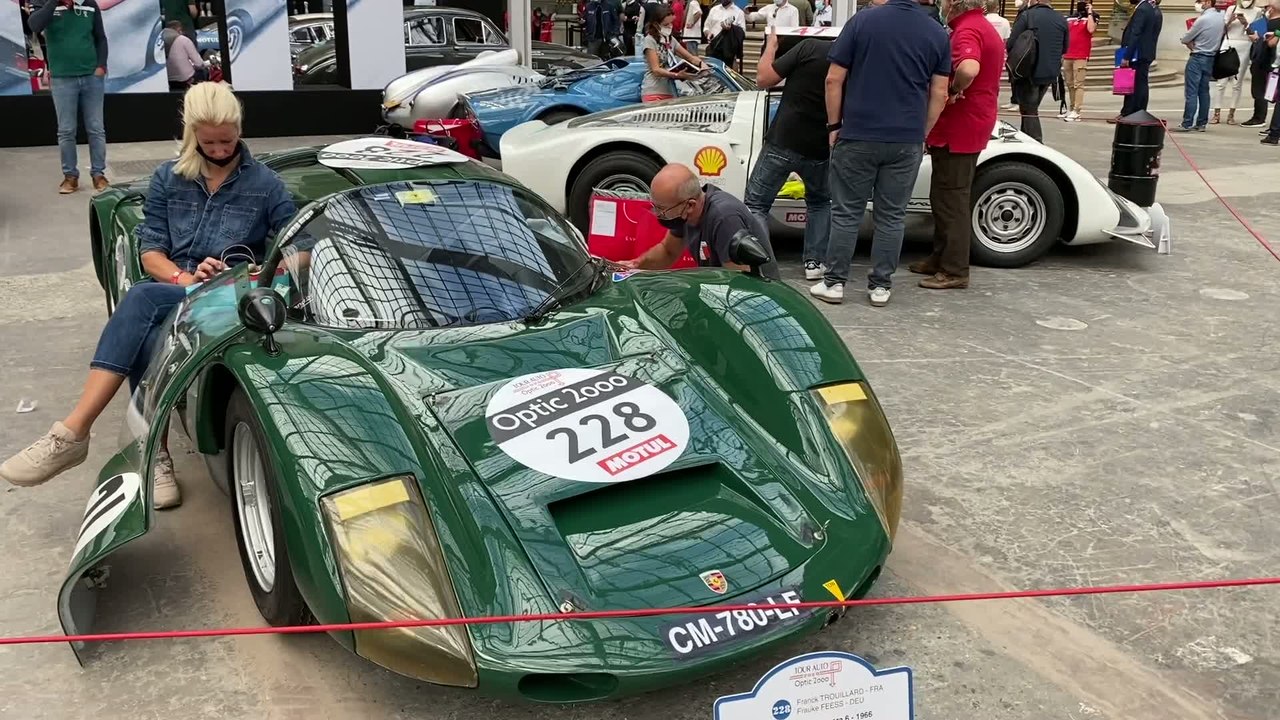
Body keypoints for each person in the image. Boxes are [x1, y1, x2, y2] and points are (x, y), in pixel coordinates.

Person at [0, 83, 298, 509]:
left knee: (141, 300)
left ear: (239, 129)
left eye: (226, 141)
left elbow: (297, 247)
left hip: (231, 294)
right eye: (207, 141)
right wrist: (184, 278)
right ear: (190, 132)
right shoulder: (169, 178)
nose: (217, 150)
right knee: (149, 322)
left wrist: (253, 270)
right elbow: (151, 251)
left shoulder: (264, 184)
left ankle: (78, 433)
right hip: (179, 288)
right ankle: (152, 453)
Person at [816, 0, 950, 307]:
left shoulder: (863, 22)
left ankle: (834, 283)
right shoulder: (936, 32)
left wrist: (834, 125)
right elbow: (939, 93)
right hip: (906, 138)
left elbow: (833, 79)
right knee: (892, 216)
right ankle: (880, 286)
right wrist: (922, 133)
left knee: (846, 212)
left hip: (858, 133)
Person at [914, 0, 1003, 290]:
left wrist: (954, 89)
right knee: (944, 195)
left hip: (960, 125)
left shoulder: (967, 30)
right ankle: (941, 257)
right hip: (969, 123)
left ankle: (954, 269)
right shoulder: (981, 26)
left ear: (954, 3)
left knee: (951, 198)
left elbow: (968, 67)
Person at [745, 26, 833, 280]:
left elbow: (763, 79)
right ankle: (814, 263)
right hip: (819, 145)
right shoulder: (848, 58)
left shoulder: (808, 48)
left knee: (756, 204)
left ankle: (763, 264)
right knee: (819, 202)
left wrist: (772, 44)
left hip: (784, 140)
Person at [619, 164, 781, 278]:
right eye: (655, 207)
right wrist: (636, 265)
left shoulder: (724, 218)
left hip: (755, 299)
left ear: (690, 205)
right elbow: (667, 251)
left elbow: (739, 281)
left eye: (662, 209)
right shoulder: (685, 213)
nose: (658, 214)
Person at [30, 0, 109, 195]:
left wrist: (101, 65)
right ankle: (70, 177)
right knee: (66, 130)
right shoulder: (44, 3)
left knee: (96, 128)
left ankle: (98, 174)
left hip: (92, 77)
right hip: (62, 78)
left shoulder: (89, 4)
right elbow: (34, 25)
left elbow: (100, 38)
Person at [1006, 0, 1068, 142]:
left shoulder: (1027, 16)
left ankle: (1036, 142)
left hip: (1029, 71)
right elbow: (1065, 48)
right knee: (1030, 108)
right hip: (1050, 72)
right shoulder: (1061, 19)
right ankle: (1026, 139)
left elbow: (1011, 43)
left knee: (1029, 110)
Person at [1172, 0, 1227, 131]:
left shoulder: (1203, 19)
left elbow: (1186, 39)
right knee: (1204, 91)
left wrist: (1192, 45)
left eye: (1200, 1)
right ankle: (1201, 123)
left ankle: (1187, 122)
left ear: (1208, 2)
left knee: (1191, 91)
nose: (1198, 4)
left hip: (1198, 56)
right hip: (1211, 56)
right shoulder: (1221, 17)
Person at [641, 6, 707, 102]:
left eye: (671, 23)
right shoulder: (650, 40)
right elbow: (656, 70)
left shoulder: (671, 40)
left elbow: (690, 57)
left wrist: (702, 65)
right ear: (656, 24)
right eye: (666, 24)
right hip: (653, 91)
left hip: (670, 91)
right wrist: (677, 75)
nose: (669, 26)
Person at [1215, 0, 1263, 123]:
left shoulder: (1257, 11)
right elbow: (1222, 29)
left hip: (1245, 44)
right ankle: (1216, 112)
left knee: (1237, 81)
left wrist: (1246, 24)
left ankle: (1231, 114)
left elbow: (1257, 34)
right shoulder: (1232, 8)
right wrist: (1230, 20)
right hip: (1229, 42)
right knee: (1221, 81)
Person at [1117, 0, 1164, 118]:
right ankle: (1133, 111)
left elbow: (1135, 33)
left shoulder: (1142, 9)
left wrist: (1127, 55)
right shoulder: (1147, 8)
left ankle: (1133, 112)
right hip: (1143, 52)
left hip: (1138, 54)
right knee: (1139, 83)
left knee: (1136, 84)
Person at [1243, 0, 1280, 126]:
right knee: (1263, 90)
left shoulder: (1275, 23)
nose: (1265, 10)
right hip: (1264, 59)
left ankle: (1260, 118)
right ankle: (1268, 123)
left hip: (1267, 60)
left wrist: (1261, 38)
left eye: (1267, 7)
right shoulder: (1267, 22)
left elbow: (1271, 43)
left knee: (1262, 90)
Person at [1062, 1, 1099, 122]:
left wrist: (1089, 13)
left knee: (1079, 83)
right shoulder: (1070, 18)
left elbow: (1091, 29)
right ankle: (1071, 108)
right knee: (1069, 83)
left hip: (1081, 55)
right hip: (1068, 54)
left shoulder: (1093, 17)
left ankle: (1077, 110)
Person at [164, 20, 205, 92]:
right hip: (185, 79)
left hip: (168, 80)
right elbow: (198, 63)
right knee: (202, 72)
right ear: (179, 29)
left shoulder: (160, 42)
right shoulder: (183, 40)